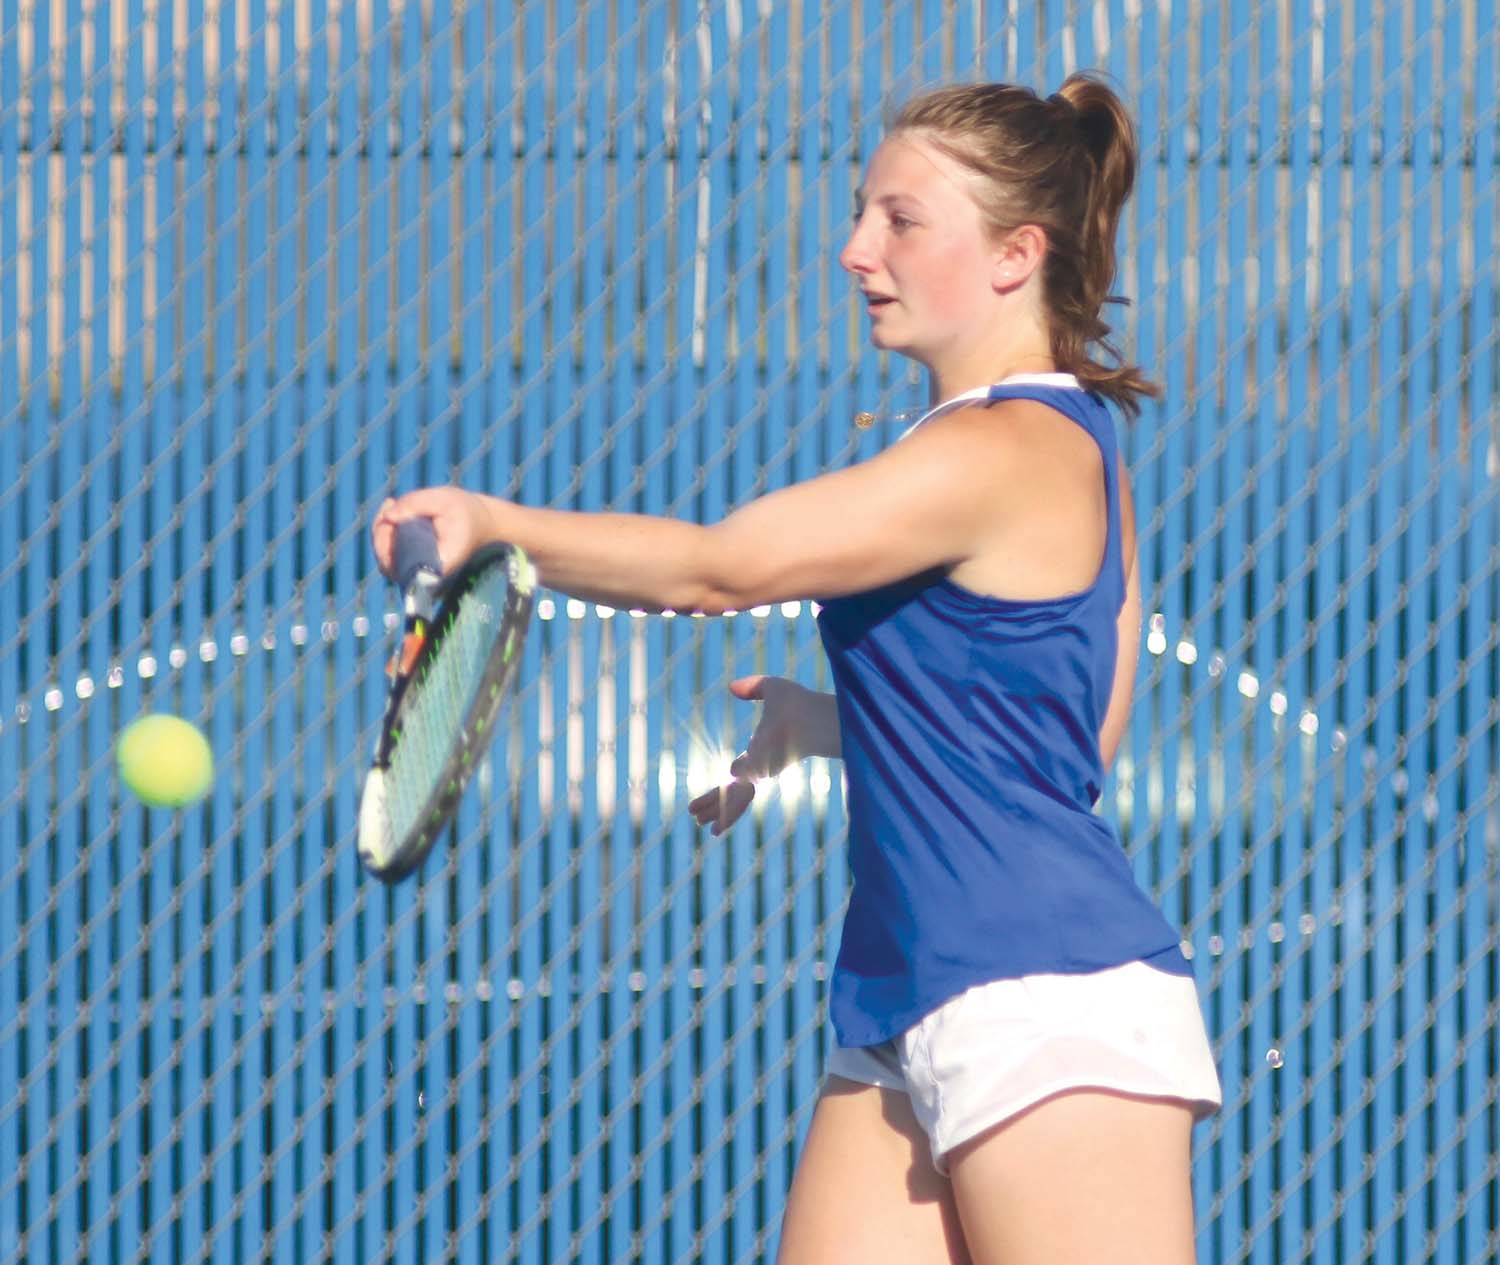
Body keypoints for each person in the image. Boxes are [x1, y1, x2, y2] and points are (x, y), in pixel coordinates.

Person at [373, 72, 1222, 1265]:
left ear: (1014, 254)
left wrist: (492, 524)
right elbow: (1065, 744)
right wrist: (833, 721)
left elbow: (720, 570)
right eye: (862, 212)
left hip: (1046, 1001)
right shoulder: (1065, 442)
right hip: (899, 996)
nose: (853, 248)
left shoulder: (1006, 447)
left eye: (900, 220)